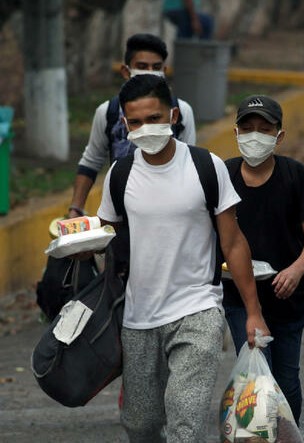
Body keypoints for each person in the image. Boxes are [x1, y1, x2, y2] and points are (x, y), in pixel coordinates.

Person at [96, 74, 268, 442]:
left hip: (198, 309)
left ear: (173, 116)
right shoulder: (120, 175)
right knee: (140, 423)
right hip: (138, 317)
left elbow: (234, 243)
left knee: (185, 421)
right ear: (125, 124)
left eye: (154, 118)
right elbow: (103, 234)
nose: (146, 128)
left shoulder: (207, 167)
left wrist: (253, 312)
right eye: (136, 122)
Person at [222, 95, 304, 425]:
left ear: (279, 136)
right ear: (236, 132)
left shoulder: (295, 176)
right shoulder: (223, 176)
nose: (255, 136)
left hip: (288, 297)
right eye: (248, 128)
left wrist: (296, 270)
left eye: (264, 129)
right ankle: (257, 433)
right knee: (257, 377)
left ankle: (286, 432)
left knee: (286, 381)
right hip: (239, 295)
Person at [68, 33, 196, 220]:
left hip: (169, 207)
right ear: (126, 72)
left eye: (156, 67)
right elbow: (91, 160)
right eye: (142, 67)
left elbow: (188, 163)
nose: (150, 72)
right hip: (122, 209)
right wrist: (76, 209)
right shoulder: (108, 112)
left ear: (173, 117)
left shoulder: (182, 110)